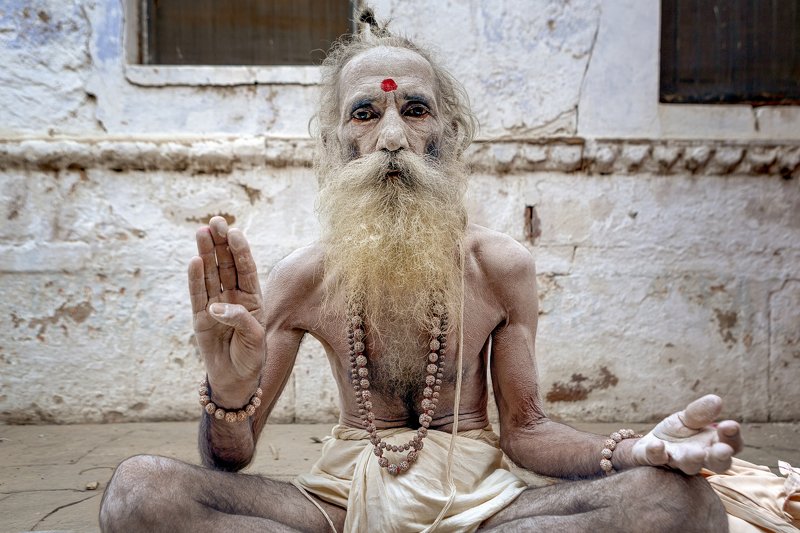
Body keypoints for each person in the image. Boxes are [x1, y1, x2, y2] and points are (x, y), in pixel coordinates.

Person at [100, 9, 743, 533]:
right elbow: (229, 457)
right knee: (138, 493)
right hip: (340, 506)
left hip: (485, 508)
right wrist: (229, 392)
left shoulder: (498, 267)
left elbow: (527, 431)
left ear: (449, 135)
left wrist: (633, 451)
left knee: (677, 503)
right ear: (335, 143)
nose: (390, 138)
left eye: (413, 110)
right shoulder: (305, 277)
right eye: (365, 113)